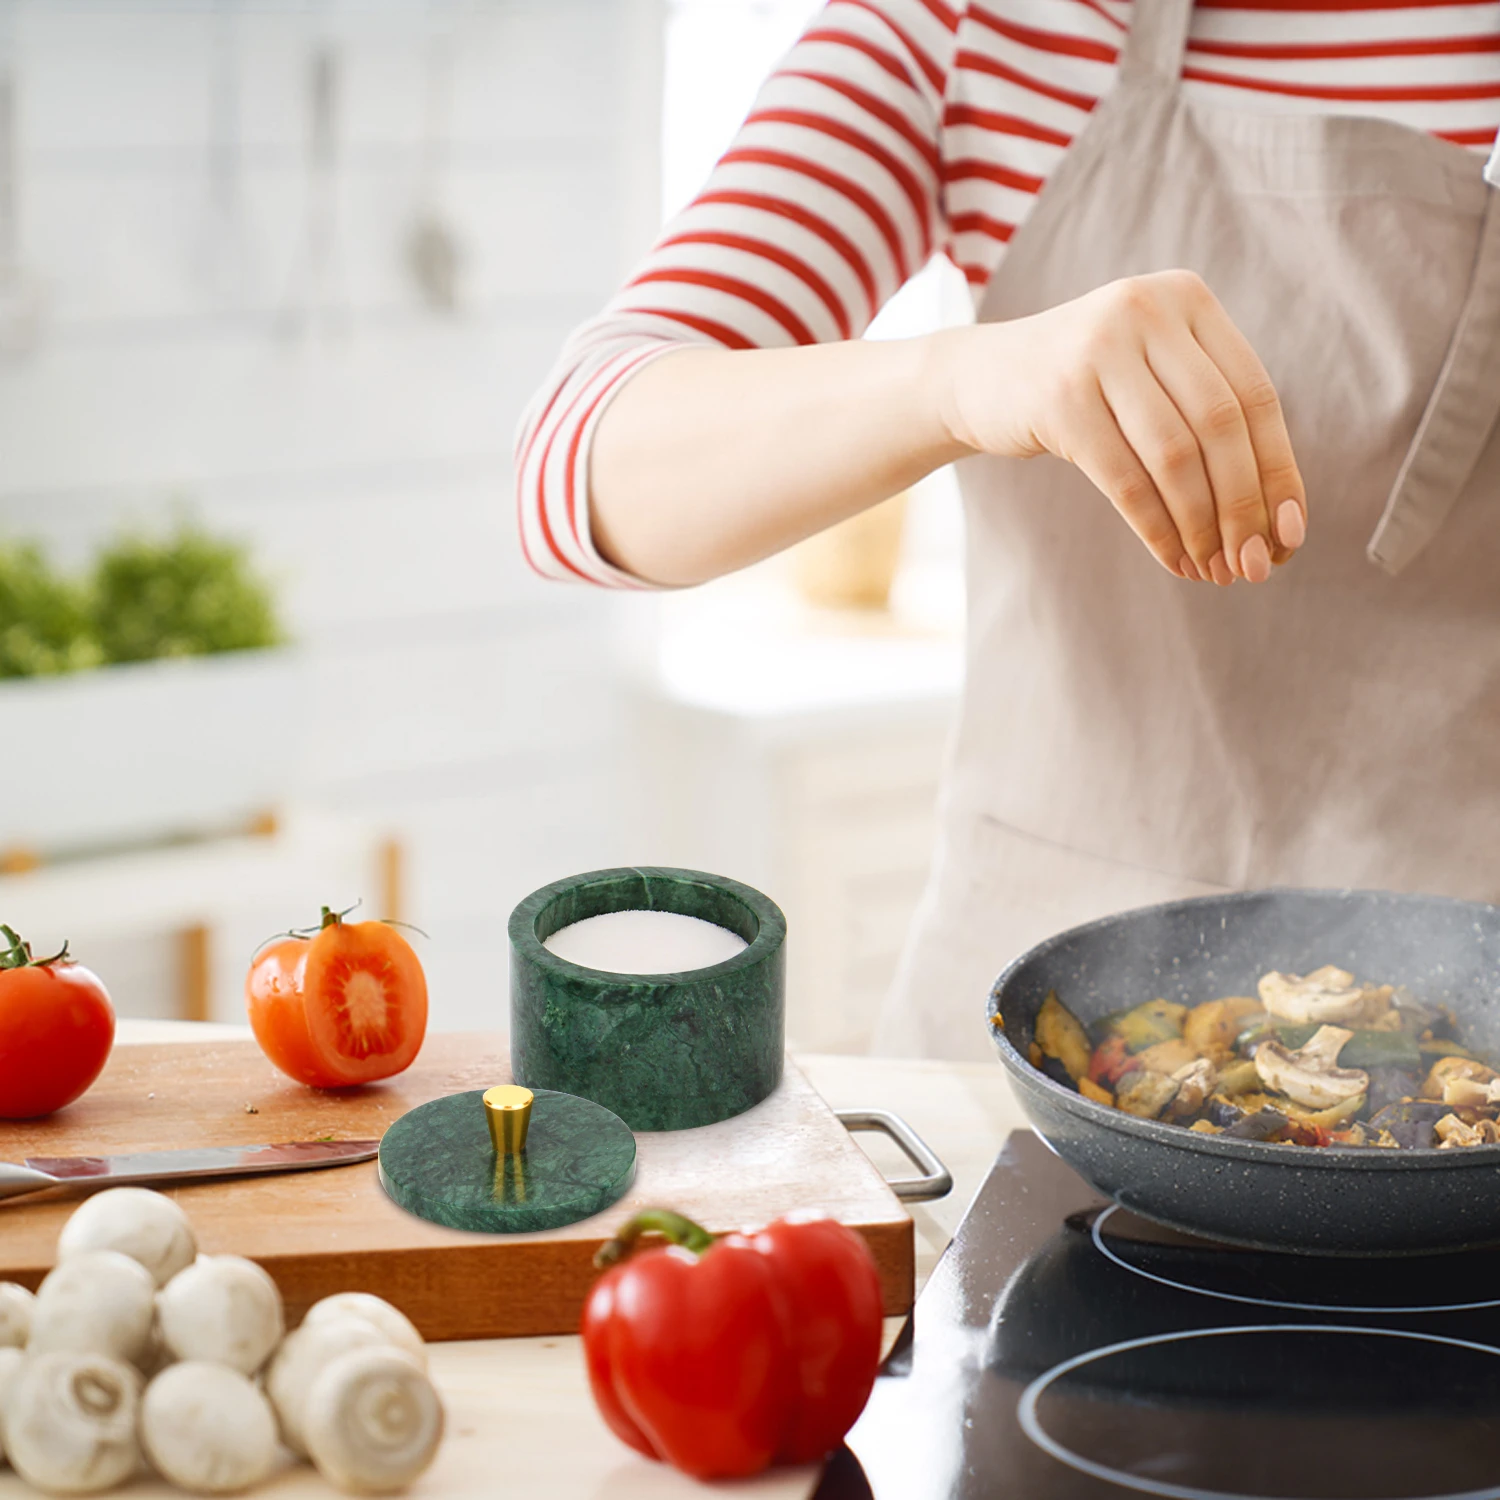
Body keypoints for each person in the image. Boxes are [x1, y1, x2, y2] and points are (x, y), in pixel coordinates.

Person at [516, 0, 1500, 1062]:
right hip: (1028, 1039)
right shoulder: (977, 26)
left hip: (1467, 1039)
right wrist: (958, 379)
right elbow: (578, 466)